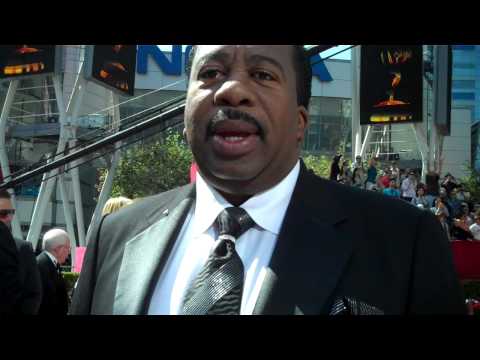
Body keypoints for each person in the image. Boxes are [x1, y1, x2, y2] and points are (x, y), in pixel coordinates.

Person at [71, 45, 465, 315]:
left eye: (262, 74)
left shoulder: (403, 241)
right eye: (210, 73)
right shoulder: (116, 235)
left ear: (299, 122)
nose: (232, 91)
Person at [0, 189, 42, 314]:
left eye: (11, 212)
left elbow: (33, 294)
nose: (9, 218)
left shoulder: (23, 249)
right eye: (3, 213)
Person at [37, 228, 70, 315]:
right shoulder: (41, 266)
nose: (68, 253)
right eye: (68, 248)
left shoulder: (51, 263)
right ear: (59, 249)